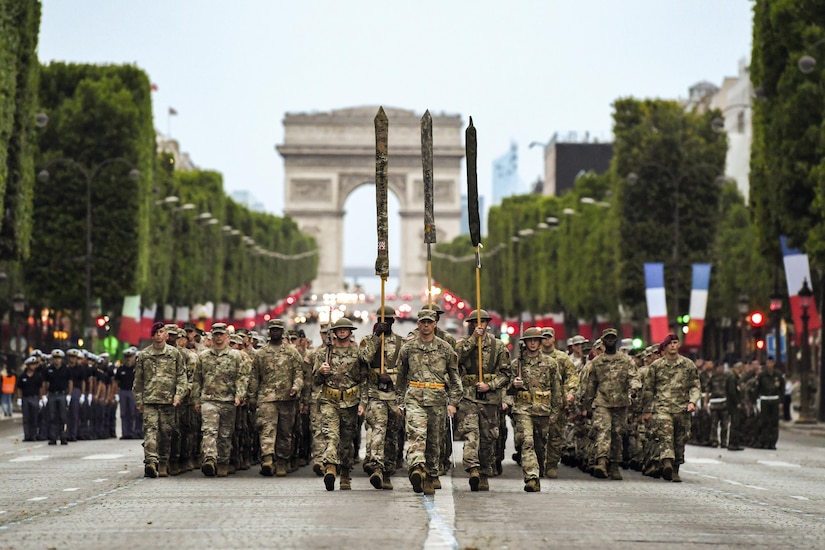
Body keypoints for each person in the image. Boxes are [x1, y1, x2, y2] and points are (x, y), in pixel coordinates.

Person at [396, 308, 462, 495]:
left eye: (429, 322)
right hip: (415, 398)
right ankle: (417, 469)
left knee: (434, 442)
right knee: (416, 436)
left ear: (435, 324)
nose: (426, 325)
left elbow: (455, 379)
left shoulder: (445, 348)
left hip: (438, 400)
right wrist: (400, 402)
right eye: (422, 322)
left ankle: (432, 475)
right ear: (418, 324)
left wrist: (453, 403)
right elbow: (400, 379)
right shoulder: (408, 349)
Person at [455, 309, 511, 491]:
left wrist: (491, 385)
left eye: (483, 322)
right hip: (469, 397)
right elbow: (455, 361)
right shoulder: (464, 344)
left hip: (489, 399)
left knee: (488, 438)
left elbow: (505, 374)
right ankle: (473, 469)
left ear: (487, 323)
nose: (479, 325)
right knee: (472, 434)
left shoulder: (498, 346)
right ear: (471, 324)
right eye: (475, 322)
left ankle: (485, 472)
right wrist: (472, 340)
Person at [313, 317, 367, 491]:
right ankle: (330, 468)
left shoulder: (358, 353)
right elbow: (315, 380)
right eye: (339, 329)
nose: (342, 331)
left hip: (350, 402)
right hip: (330, 400)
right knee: (331, 435)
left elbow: (364, 380)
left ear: (350, 332)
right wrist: (321, 372)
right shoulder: (324, 353)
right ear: (334, 332)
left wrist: (363, 403)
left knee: (346, 441)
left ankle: (345, 473)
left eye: (346, 329)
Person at [507, 327, 562, 492]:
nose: (532, 343)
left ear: (539, 342)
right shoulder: (516, 364)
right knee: (527, 441)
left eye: (535, 340)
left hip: (542, 410)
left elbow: (556, 389)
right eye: (529, 340)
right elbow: (506, 390)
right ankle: (531, 477)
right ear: (525, 343)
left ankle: (538, 472)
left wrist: (555, 411)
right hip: (523, 409)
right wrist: (514, 385)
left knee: (539, 445)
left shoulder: (550, 363)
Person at [192, 322, 250, 477]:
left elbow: (242, 378)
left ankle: (223, 462)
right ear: (211, 336)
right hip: (209, 400)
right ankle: (210, 459)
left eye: (221, 334)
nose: (218, 338)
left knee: (225, 434)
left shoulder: (236, 356)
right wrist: (196, 400)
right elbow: (197, 379)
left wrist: (239, 395)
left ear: (227, 336)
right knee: (209, 431)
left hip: (228, 400)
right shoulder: (203, 357)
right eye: (215, 334)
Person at [248, 319, 304, 477]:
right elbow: (254, 378)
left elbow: (299, 374)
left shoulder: (292, 353)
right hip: (267, 398)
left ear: (282, 331)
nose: (275, 332)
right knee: (266, 429)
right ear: (269, 332)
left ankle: (282, 462)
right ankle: (267, 459)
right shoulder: (261, 354)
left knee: (285, 432)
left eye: (278, 329)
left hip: (287, 399)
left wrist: (296, 388)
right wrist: (252, 398)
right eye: (272, 330)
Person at [642, 333, 701, 482]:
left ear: (679, 345)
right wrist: (647, 410)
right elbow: (649, 389)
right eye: (670, 343)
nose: (673, 346)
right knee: (666, 435)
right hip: (663, 408)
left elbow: (695, 385)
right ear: (665, 347)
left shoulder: (688, 365)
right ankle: (667, 462)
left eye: (675, 342)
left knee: (680, 440)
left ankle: (675, 468)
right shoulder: (656, 366)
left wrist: (692, 402)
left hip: (682, 409)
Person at [582, 328, 639, 480]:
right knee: (603, 431)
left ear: (616, 340)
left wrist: (634, 389)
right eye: (607, 338)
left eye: (613, 338)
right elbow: (590, 385)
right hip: (602, 402)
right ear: (603, 341)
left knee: (617, 434)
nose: (610, 341)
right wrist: (587, 405)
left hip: (620, 403)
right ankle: (601, 462)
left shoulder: (626, 360)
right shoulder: (597, 362)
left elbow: (634, 377)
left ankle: (614, 465)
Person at [359, 305, 405, 490]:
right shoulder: (368, 341)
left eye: (388, 319)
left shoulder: (402, 344)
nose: (385, 323)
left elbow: (405, 371)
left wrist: (391, 378)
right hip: (375, 393)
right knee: (379, 428)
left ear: (394, 320)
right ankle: (376, 466)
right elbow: (364, 359)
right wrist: (376, 337)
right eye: (381, 320)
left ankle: (387, 470)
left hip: (394, 396)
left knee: (392, 435)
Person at [134, 322, 188, 478]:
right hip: (150, 401)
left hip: (168, 401)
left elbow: (181, 377)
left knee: (166, 433)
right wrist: (139, 401)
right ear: (152, 335)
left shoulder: (174, 354)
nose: (159, 335)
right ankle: (151, 461)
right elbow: (138, 380)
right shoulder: (144, 355)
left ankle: (163, 462)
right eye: (156, 332)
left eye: (162, 332)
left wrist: (178, 396)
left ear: (166, 335)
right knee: (150, 432)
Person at [42, 349, 72, 445]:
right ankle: (53, 437)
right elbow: (45, 383)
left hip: (62, 394)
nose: (57, 360)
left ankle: (63, 436)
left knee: (63, 417)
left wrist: (69, 394)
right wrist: (44, 395)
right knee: (52, 416)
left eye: (59, 358)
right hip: (52, 394)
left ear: (62, 359)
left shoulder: (66, 369)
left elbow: (70, 382)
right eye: (55, 358)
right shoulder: (49, 369)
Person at [755, 357, 783, 449]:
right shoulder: (762, 375)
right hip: (765, 399)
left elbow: (781, 389)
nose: (770, 364)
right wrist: (756, 400)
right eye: (768, 363)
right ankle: (765, 441)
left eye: (771, 362)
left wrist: (781, 401)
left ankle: (773, 442)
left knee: (774, 422)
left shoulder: (778, 375)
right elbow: (757, 388)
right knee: (765, 422)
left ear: (773, 363)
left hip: (775, 399)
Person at [115, 347, 140, 439]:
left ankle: (134, 432)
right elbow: (116, 382)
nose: (128, 359)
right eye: (127, 357)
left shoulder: (137, 369)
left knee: (134, 412)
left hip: (134, 392)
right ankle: (125, 433)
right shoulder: (121, 369)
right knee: (124, 413)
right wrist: (116, 393)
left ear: (134, 357)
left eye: (130, 356)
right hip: (123, 391)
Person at [16, 356, 42, 440]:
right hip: (25, 398)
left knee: (34, 417)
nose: (33, 366)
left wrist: (41, 399)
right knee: (26, 418)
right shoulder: (22, 376)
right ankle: (27, 435)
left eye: (34, 364)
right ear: (27, 366)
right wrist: (19, 399)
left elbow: (40, 388)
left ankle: (33, 435)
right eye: (31, 365)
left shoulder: (38, 376)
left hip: (34, 397)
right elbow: (19, 388)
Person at [706, 361, 729, 448]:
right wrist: (705, 402)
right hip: (714, 404)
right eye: (719, 367)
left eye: (722, 367)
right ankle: (714, 440)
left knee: (725, 424)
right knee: (714, 424)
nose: (720, 369)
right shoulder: (713, 378)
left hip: (724, 404)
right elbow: (708, 390)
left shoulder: (726, 377)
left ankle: (724, 441)